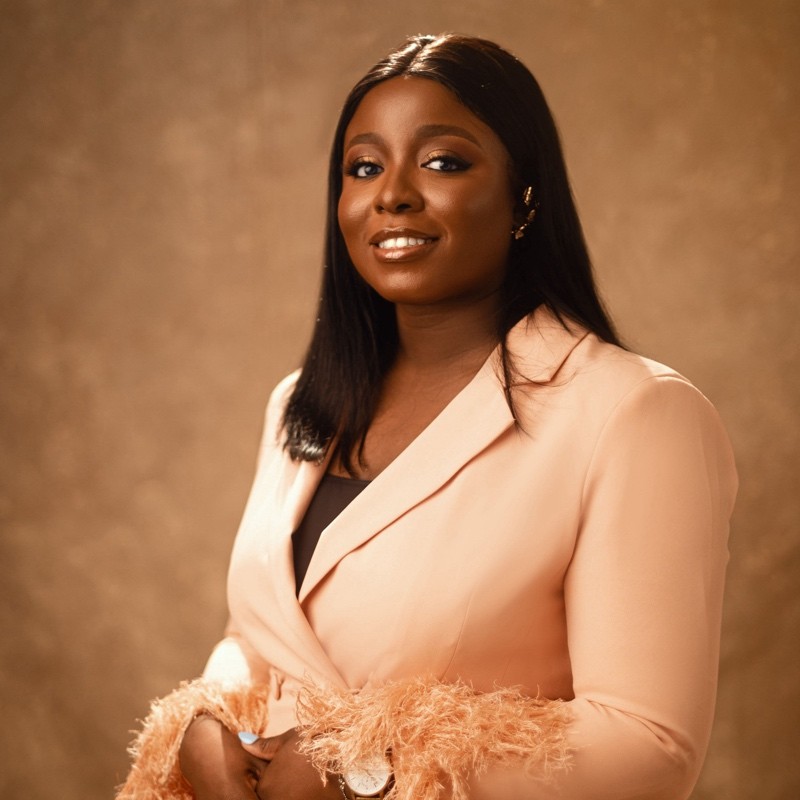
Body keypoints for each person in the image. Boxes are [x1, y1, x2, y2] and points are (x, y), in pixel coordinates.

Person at [117, 33, 737, 800]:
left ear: (525, 196)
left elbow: (649, 746)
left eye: (442, 162)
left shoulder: (637, 414)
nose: (393, 195)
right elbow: (263, 634)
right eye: (364, 167)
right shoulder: (299, 406)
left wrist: (368, 773)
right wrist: (208, 724)